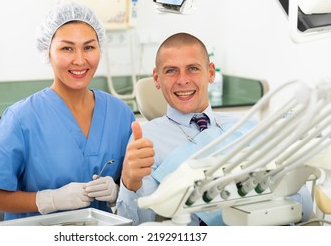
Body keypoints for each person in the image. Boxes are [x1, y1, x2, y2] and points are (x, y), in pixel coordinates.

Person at [116, 32, 313, 226]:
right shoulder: (146, 142)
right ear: (157, 79)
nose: (182, 80)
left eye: (192, 68)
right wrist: (130, 183)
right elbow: (137, 228)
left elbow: (303, 208)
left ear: (210, 72)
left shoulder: (246, 127)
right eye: (171, 70)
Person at [0, 2, 135, 221]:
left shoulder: (120, 114)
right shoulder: (22, 118)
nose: (79, 60)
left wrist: (117, 191)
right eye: (67, 48)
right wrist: (48, 200)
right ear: (47, 52)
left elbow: (134, 184)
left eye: (89, 47)